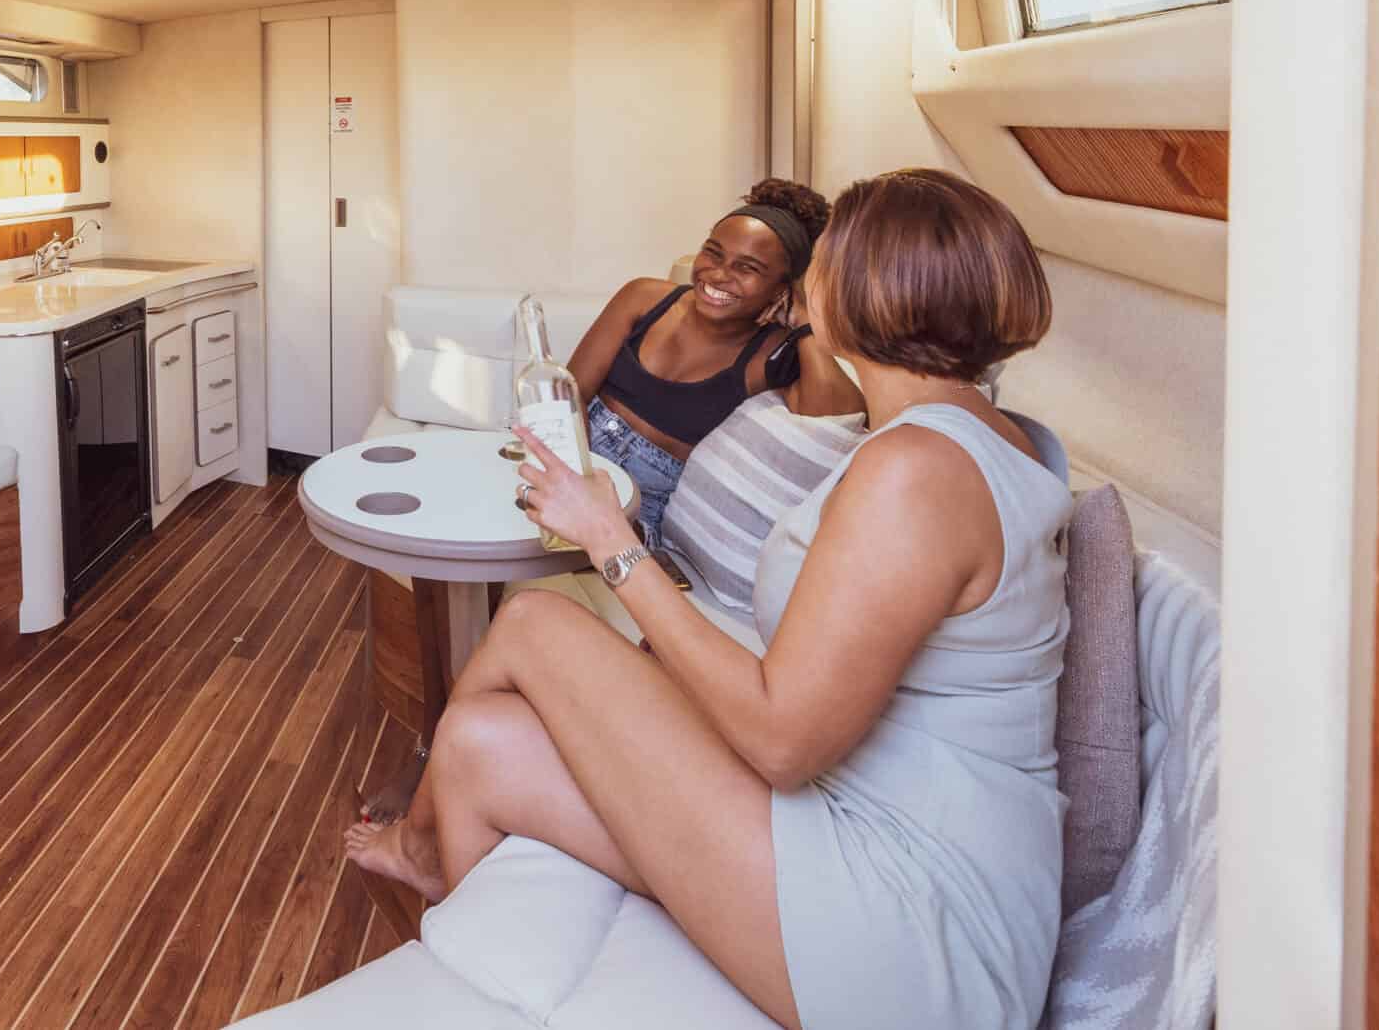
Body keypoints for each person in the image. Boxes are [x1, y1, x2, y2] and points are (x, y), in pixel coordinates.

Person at [348, 169, 1068, 1030]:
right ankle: (459, 922)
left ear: (867, 289)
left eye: (822, 262)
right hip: (860, 830)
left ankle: (429, 857)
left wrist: (611, 541)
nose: (808, 284)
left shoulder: (915, 469)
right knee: (475, 743)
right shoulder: (983, 437)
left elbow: (779, 738)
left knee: (538, 616)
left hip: (908, 920)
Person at [566, 178, 864, 545]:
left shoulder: (770, 354)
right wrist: (578, 473)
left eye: (748, 268)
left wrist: (802, 319)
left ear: (782, 287)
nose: (718, 274)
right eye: (714, 252)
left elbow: (841, 413)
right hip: (576, 458)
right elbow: (570, 393)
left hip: (642, 508)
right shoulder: (643, 298)